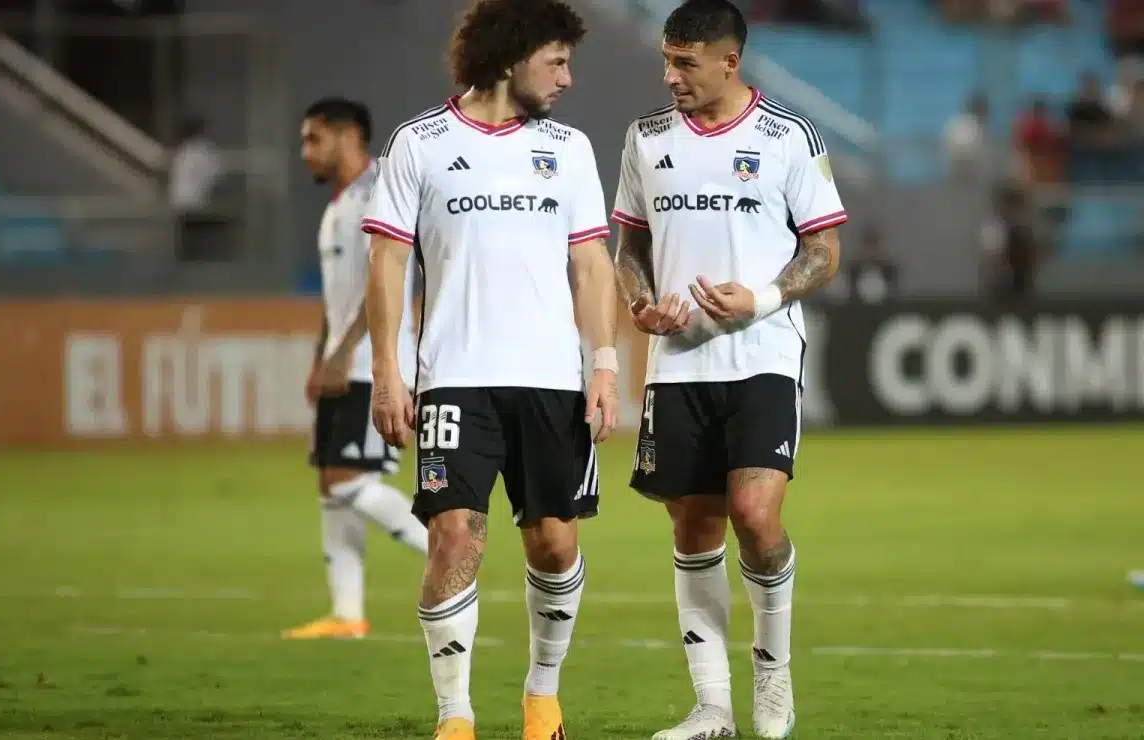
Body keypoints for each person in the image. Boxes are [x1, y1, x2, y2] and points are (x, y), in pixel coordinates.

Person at [361, 1, 620, 737]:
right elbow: (387, 262)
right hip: (455, 377)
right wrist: (387, 371)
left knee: (555, 544)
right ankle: (455, 717)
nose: (568, 78)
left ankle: (542, 696)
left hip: (552, 382)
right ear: (512, 57)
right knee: (453, 538)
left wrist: (603, 365)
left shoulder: (569, 149)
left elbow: (590, 263)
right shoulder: (420, 142)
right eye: (557, 61)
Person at [611, 1, 847, 738]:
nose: (670, 75)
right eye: (667, 60)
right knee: (693, 526)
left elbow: (824, 251)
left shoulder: (788, 136)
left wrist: (763, 297)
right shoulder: (646, 138)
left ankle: (773, 676)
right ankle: (712, 708)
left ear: (729, 61)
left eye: (685, 62)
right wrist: (640, 304)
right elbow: (630, 247)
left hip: (762, 355)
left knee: (755, 515)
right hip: (678, 364)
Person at [283, 97, 428, 641]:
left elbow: (383, 284)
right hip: (345, 362)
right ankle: (347, 615)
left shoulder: (379, 193)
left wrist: (344, 354)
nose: (305, 152)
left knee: (347, 479)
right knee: (331, 483)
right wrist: (322, 356)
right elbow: (337, 301)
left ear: (348, 136)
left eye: (313, 139)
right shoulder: (337, 208)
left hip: (373, 365)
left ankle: (447, 546)